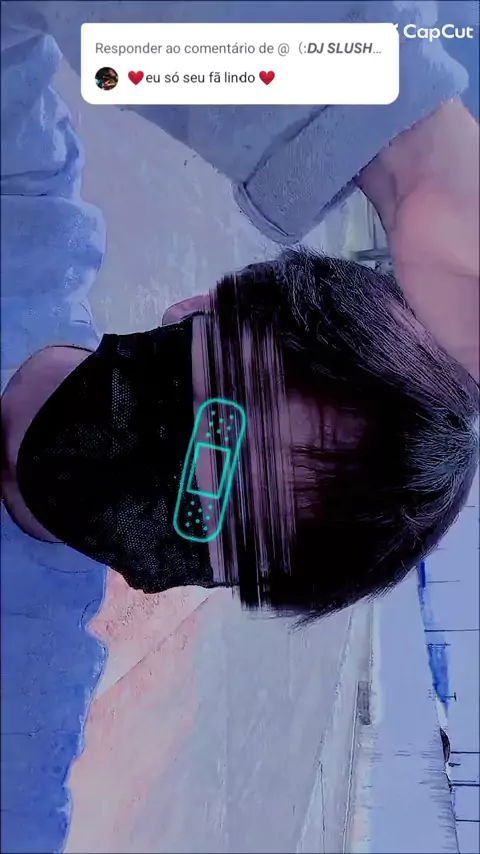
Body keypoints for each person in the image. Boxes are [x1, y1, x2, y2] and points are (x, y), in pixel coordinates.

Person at [1, 2, 478, 852]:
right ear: (202, 305)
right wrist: (408, 149)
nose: (191, 472)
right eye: (218, 426)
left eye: (216, 515)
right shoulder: (18, 203)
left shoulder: (20, 719)